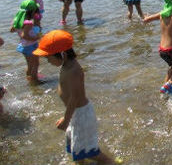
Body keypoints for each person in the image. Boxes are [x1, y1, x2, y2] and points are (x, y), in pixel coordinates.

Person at [34, 30, 117, 164]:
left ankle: (110, 163)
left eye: (48, 57)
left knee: (90, 152)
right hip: (75, 114)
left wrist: (67, 119)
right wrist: (67, 116)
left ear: (63, 54)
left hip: (82, 115)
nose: (47, 61)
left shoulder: (74, 70)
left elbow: (75, 98)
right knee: (77, 148)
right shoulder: (67, 65)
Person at [10, 0, 42, 84]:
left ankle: (30, 78)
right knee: (35, 64)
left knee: (30, 65)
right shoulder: (28, 23)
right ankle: (35, 81)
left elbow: (12, 30)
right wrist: (36, 38)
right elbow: (25, 35)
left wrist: (20, 34)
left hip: (23, 46)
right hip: (30, 46)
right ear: (31, 12)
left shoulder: (16, 21)